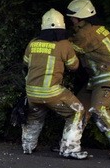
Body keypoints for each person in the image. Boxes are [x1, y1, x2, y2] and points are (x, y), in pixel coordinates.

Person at [65, 0, 110, 160]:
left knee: (99, 109)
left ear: (80, 17)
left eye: (72, 17)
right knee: (78, 109)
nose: (70, 20)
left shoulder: (86, 33)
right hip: (97, 77)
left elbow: (67, 50)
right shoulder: (93, 29)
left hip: (107, 77)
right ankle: (69, 145)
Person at [21, 9, 87, 158]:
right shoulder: (64, 45)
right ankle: (70, 148)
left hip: (31, 92)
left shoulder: (33, 43)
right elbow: (74, 66)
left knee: (34, 116)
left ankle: (28, 146)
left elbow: (25, 63)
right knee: (77, 111)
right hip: (52, 92)